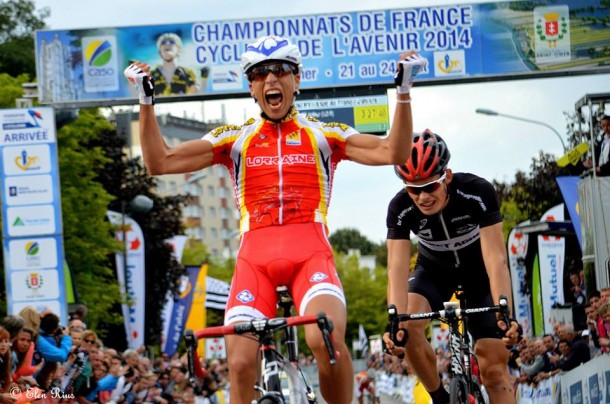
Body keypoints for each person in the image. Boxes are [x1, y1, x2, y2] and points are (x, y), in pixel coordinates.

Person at [124, 34, 426, 403]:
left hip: (310, 254)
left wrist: (404, 92)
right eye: (260, 73)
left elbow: (392, 151)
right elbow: (159, 162)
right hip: (255, 260)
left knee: (325, 337)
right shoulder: (235, 138)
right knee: (238, 363)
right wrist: (145, 100)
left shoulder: (323, 133)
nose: (271, 79)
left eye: (281, 70)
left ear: (296, 79)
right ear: (250, 86)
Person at [383, 130, 520, 404]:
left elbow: (495, 258)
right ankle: (439, 397)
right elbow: (397, 269)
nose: (422, 197)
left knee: (494, 371)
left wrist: (505, 309)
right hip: (433, 271)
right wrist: (394, 319)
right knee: (406, 327)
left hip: (480, 274)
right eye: (413, 189)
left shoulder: (477, 192)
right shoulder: (400, 208)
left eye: (430, 186)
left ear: (446, 176)